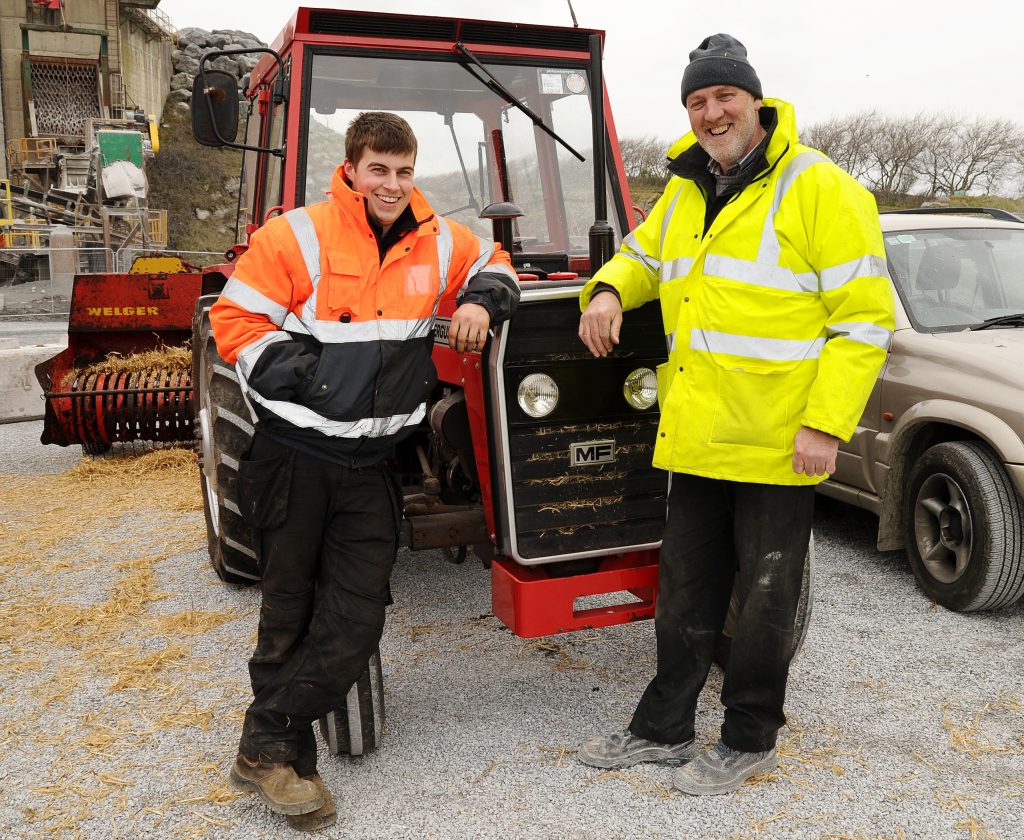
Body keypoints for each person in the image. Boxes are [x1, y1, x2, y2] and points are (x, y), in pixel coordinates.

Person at [576, 34, 894, 795]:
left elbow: (863, 322)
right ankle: (663, 730)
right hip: (695, 437)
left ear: (755, 100)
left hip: (778, 443)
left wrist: (825, 425)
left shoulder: (821, 188)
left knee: (765, 599)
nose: (711, 113)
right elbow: (645, 259)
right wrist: (608, 291)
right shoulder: (689, 189)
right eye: (696, 102)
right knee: (684, 591)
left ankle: (750, 737)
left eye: (724, 97)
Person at [211, 112, 519, 828]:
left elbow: (495, 264)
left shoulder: (440, 239)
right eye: (379, 169)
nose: (392, 184)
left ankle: (264, 741)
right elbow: (236, 324)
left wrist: (478, 299)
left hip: (370, 465)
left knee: (355, 618)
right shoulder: (296, 235)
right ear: (351, 168)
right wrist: (318, 381)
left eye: (404, 170)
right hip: (296, 456)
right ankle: (281, 758)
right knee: (288, 614)